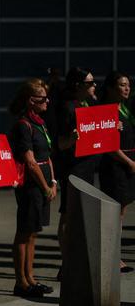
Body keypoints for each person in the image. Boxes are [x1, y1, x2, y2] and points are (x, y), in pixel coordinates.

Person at [8, 78, 57, 299]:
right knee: (24, 232)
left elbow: (47, 156)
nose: (48, 101)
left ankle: (31, 278)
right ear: (31, 101)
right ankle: (21, 281)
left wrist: (53, 182)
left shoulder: (40, 122)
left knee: (34, 232)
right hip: (31, 186)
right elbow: (30, 161)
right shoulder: (23, 124)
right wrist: (45, 185)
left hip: (44, 184)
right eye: (43, 98)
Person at [54, 67, 98, 271]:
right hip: (73, 167)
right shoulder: (67, 107)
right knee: (69, 214)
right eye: (90, 83)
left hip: (87, 166)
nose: (94, 85)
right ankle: (66, 264)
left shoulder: (88, 103)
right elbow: (60, 143)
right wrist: (71, 139)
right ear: (78, 86)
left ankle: (76, 260)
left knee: (81, 215)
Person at [97, 71, 135, 272]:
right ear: (111, 88)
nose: (127, 88)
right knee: (113, 214)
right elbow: (107, 145)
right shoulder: (107, 110)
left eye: (128, 84)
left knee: (121, 212)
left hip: (127, 164)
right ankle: (111, 258)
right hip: (115, 167)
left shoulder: (125, 109)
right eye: (122, 85)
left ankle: (115, 255)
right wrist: (129, 162)